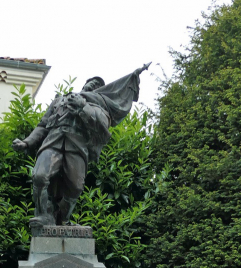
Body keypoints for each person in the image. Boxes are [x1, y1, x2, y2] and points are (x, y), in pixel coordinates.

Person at [13, 64, 150, 228]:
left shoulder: (98, 106)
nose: (93, 84)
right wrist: (27, 142)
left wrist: (82, 107)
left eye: (97, 84)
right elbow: (42, 126)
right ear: (84, 84)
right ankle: (44, 216)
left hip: (76, 148)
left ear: (101, 90)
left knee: (75, 187)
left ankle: (62, 218)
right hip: (53, 143)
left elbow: (102, 126)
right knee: (40, 176)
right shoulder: (60, 100)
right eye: (90, 82)